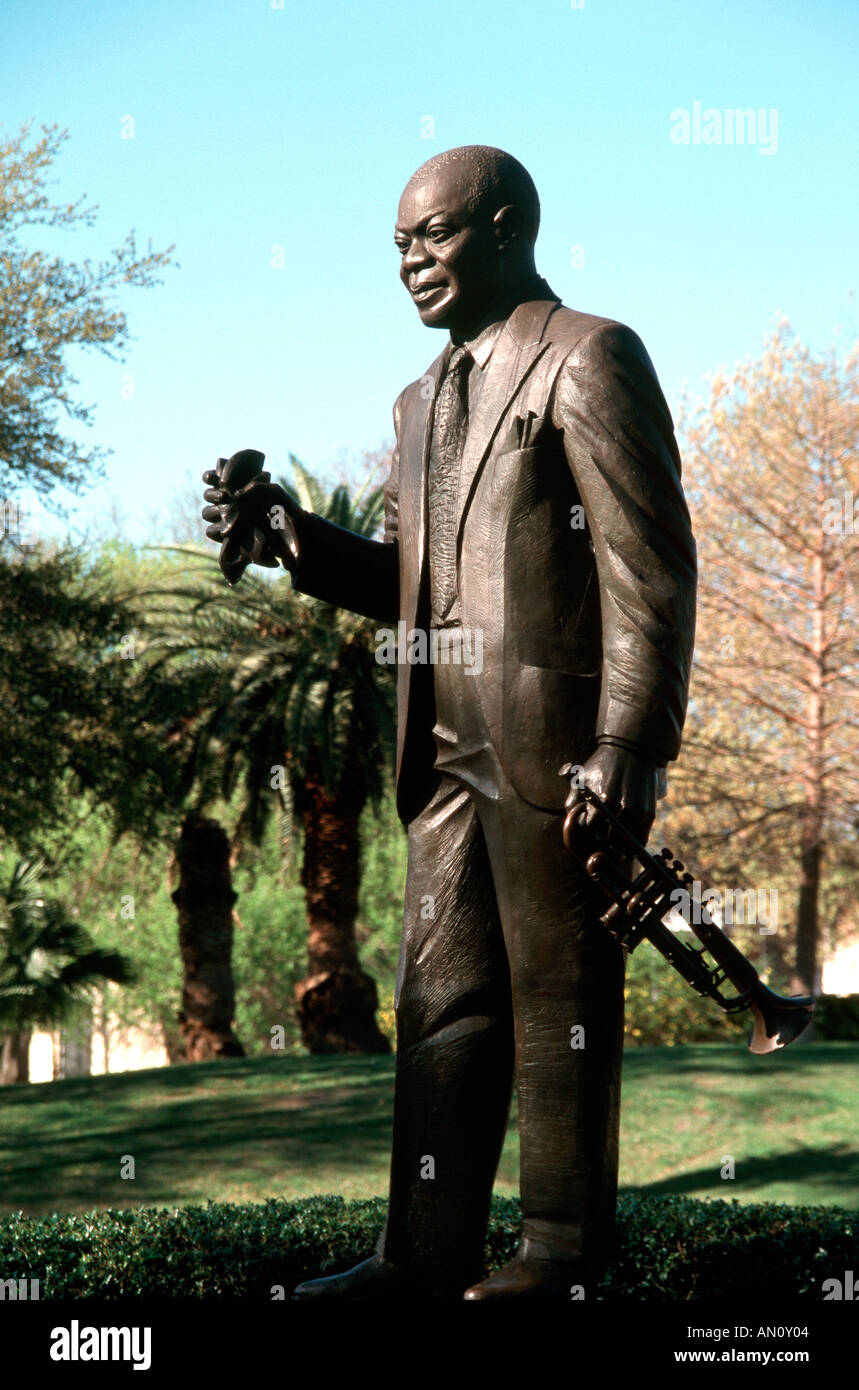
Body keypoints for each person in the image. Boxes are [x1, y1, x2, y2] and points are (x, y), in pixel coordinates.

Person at [202, 145, 697, 1299]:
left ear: (508, 225)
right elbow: (418, 585)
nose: (412, 264)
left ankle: (563, 1254)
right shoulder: (418, 404)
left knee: (559, 996)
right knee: (440, 1001)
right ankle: (418, 1258)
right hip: (441, 754)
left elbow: (650, 566)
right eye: (398, 248)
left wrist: (630, 741)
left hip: (557, 750)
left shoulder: (589, 356)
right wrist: (297, 540)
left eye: (432, 237)